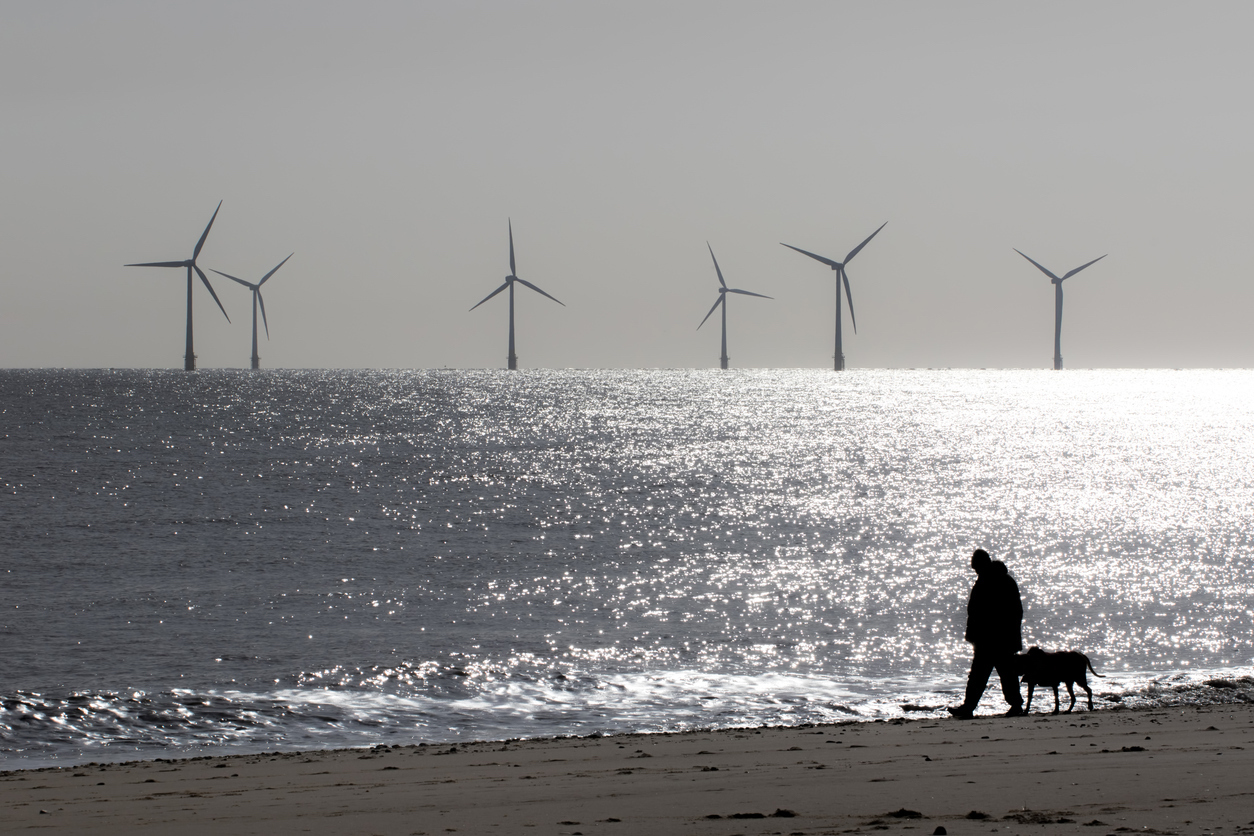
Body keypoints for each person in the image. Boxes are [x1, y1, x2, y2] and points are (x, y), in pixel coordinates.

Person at [947, 548, 1024, 719]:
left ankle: (1015, 705)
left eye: (976, 567)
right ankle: (969, 707)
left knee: (1001, 675)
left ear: (982, 564)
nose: (975, 571)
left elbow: (1014, 612)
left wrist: (1008, 636)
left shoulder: (1001, 581)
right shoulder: (987, 580)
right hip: (986, 638)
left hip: (997, 639)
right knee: (983, 675)